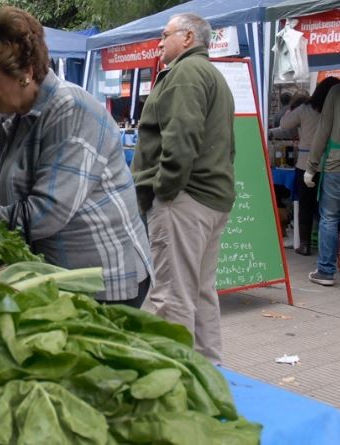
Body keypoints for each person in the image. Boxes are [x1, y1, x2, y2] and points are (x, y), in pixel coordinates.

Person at [0, 7, 151, 308]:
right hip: (55, 275)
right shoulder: (16, 117)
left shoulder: (71, 109)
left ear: (25, 72)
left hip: (104, 279)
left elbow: (46, 213)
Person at [131, 13, 235, 363]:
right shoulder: (210, 75)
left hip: (184, 200)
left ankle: (176, 379)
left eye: (164, 34)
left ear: (188, 38)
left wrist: (164, 190)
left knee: (173, 296)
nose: (159, 42)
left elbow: (180, 142)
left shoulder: (186, 74)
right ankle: (211, 371)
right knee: (201, 292)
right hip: (209, 198)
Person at [270, 77, 340, 256]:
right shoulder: (334, 109)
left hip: (305, 163)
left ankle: (305, 244)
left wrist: (292, 108)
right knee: (330, 212)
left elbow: (285, 124)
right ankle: (332, 250)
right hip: (332, 164)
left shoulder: (305, 109)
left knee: (306, 205)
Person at [304, 82, 340, 287]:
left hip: (336, 164)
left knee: (329, 218)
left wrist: (311, 167)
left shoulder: (336, 92)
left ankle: (326, 271)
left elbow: (323, 130)